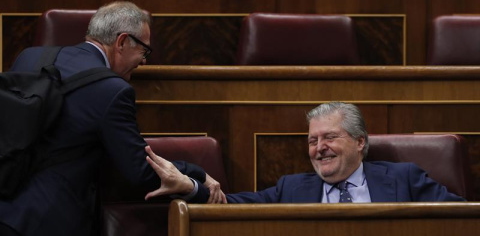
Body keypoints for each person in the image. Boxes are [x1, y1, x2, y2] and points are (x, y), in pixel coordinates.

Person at [0, 1, 225, 236]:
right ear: (121, 42)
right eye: (144, 51)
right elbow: (141, 170)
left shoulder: (30, 58)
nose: (144, 61)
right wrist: (197, 175)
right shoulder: (112, 90)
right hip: (47, 222)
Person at [145, 101, 465, 203]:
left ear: (360, 142)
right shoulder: (292, 188)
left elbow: (459, 219)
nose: (319, 148)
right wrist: (191, 186)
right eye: (313, 141)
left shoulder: (403, 178)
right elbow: (231, 207)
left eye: (330, 138)